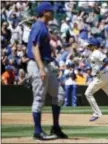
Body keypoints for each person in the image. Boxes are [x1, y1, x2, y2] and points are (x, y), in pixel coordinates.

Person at [26, 2, 67, 140]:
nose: (53, 12)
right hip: (38, 65)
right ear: (44, 12)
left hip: (46, 64)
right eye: (50, 11)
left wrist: (51, 44)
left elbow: (41, 43)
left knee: (59, 95)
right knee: (39, 98)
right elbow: (34, 48)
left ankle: (55, 127)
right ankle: (37, 132)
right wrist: (42, 69)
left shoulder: (42, 26)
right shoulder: (39, 26)